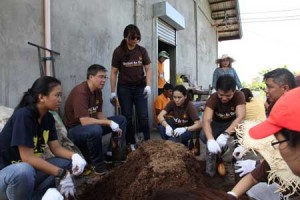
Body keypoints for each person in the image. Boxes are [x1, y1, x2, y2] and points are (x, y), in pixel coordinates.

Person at [0, 76, 87, 200]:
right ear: (41, 97)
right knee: (25, 170)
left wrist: (75, 156)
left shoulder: (48, 118)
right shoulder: (24, 116)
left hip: (26, 175)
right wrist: (61, 174)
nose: (60, 100)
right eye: (57, 95)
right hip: (6, 177)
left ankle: (40, 197)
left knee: (68, 164)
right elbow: (27, 158)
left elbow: (56, 148)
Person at [231, 68, 296, 199]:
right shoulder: (273, 106)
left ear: (285, 88)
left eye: (269, 87)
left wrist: (256, 164)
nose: (265, 90)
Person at [64, 64, 126, 175]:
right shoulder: (81, 92)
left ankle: (110, 154)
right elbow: (84, 121)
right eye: (100, 77)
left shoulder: (98, 91)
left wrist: (112, 124)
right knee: (96, 129)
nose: (103, 80)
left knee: (121, 120)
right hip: (75, 130)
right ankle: (97, 164)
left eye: (105, 77)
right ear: (91, 77)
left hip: (91, 125)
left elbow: (99, 113)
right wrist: (108, 122)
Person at [110, 24, 151, 151]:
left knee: (143, 115)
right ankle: (131, 143)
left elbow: (148, 68)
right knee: (127, 116)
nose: (135, 41)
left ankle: (147, 141)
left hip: (140, 87)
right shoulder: (119, 51)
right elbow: (113, 72)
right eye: (133, 38)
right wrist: (112, 92)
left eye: (138, 38)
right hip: (124, 88)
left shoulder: (141, 51)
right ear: (126, 37)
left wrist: (148, 85)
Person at [200, 75, 246, 177]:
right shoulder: (213, 98)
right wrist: (211, 139)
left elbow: (240, 117)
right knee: (204, 136)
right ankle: (210, 173)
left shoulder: (239, 95)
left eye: (228, 95)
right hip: (217, 124)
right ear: (217, 91)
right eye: (221, 95)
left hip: (232, 123)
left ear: (234, 91)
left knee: (242, 134)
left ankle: (238, 164)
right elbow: (206, 120)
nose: (224, 98)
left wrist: (226, 134)